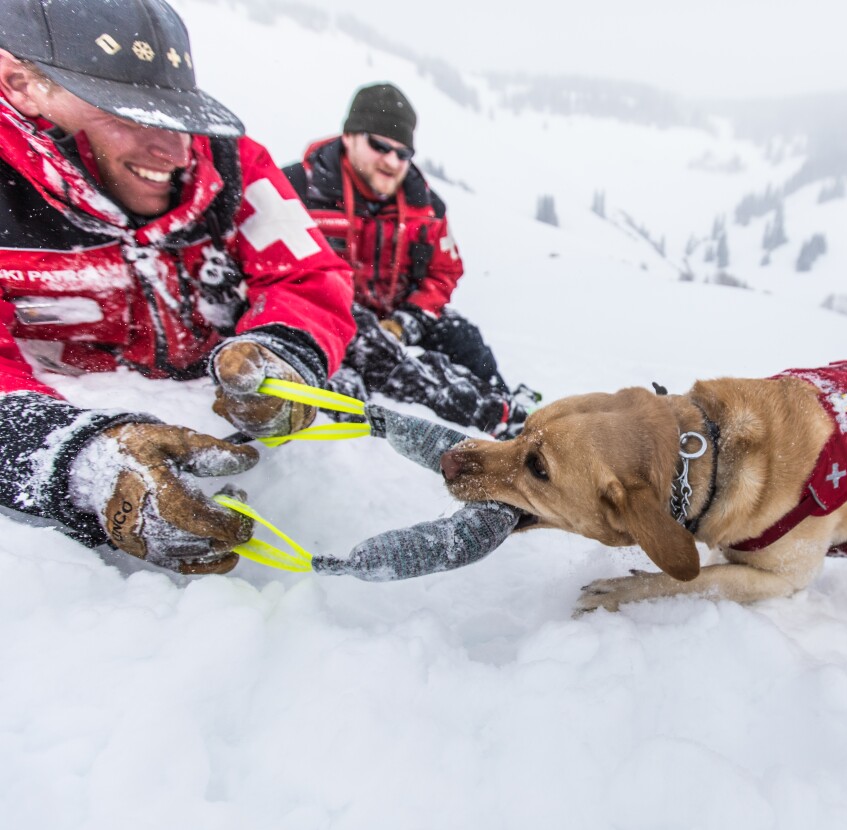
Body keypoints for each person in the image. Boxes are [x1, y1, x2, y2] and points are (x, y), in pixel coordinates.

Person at [0, 0, 357, 574]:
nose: (175, 150)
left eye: (177, 113)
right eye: (128, 113)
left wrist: (286, 353)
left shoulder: (232, 165)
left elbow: (308, 274)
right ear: (21, 86)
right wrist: (83, 462)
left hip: (241, 440)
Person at [283, 83, 538, 438]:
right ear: (349, 136)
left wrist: (407, 322)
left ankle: (507, 414)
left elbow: (445, 272)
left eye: (403, 154)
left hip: (398, 315)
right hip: (325, 319)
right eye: (379, 146)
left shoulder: (427, 208)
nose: (391, 161)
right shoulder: (294, 188)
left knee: (462, 336)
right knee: (362, 373)